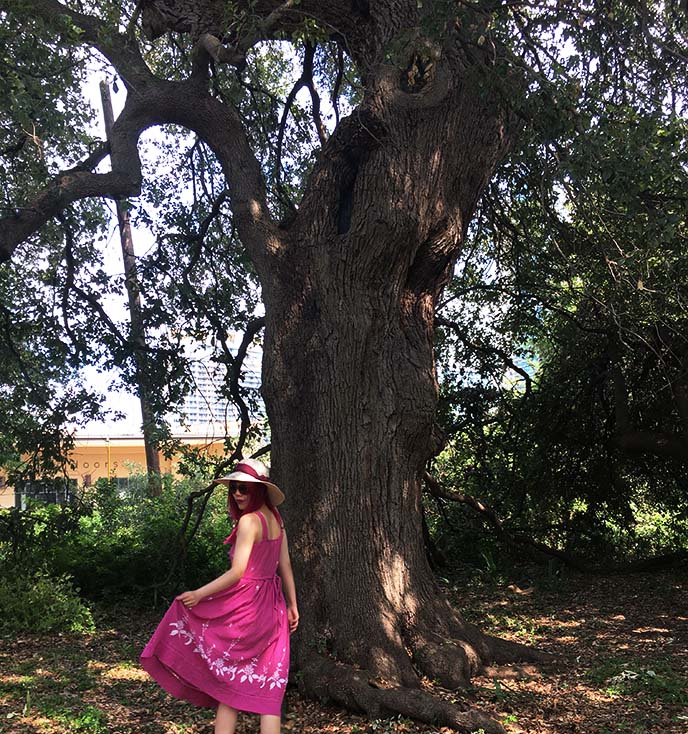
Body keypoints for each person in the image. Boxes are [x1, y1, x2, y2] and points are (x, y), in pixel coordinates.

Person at [140, 458, 299, 734]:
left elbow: (238, 572)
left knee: (229, 687)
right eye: (234, 488)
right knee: (269, 697)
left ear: (258, 490)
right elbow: (284, 565)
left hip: (247, 606)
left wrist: (199, 594)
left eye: (244, 488)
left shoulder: (251, 521)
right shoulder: (276, 519)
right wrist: (292, 604)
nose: (237, 493)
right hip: (273, 607)